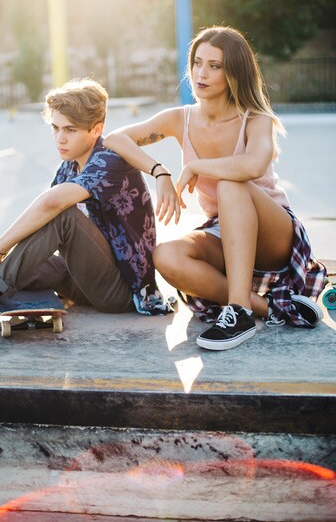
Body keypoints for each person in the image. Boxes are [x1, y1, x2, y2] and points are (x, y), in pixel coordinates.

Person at [104, 26, 326, 351]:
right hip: (224, 232)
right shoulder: (181, 119)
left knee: (231, 185)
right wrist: (159, 171)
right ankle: (269, 308)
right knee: (165, 256)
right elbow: (114, 138)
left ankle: (239, 312)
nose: (201, 73)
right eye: (197, 62)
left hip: (273, 233)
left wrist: (196, 166)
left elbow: (251, 166)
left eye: (214, 65)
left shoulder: (255, 118)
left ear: (234, 72)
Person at [0, 79, 172, 340]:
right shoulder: (70, 166)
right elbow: (41, 220)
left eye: (71, 130)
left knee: (62, 213)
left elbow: (53, 206)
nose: (60, 138)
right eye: (55, 128)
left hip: (121, 291)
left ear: (96, 129)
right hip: (79, 279)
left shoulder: (110, 159)